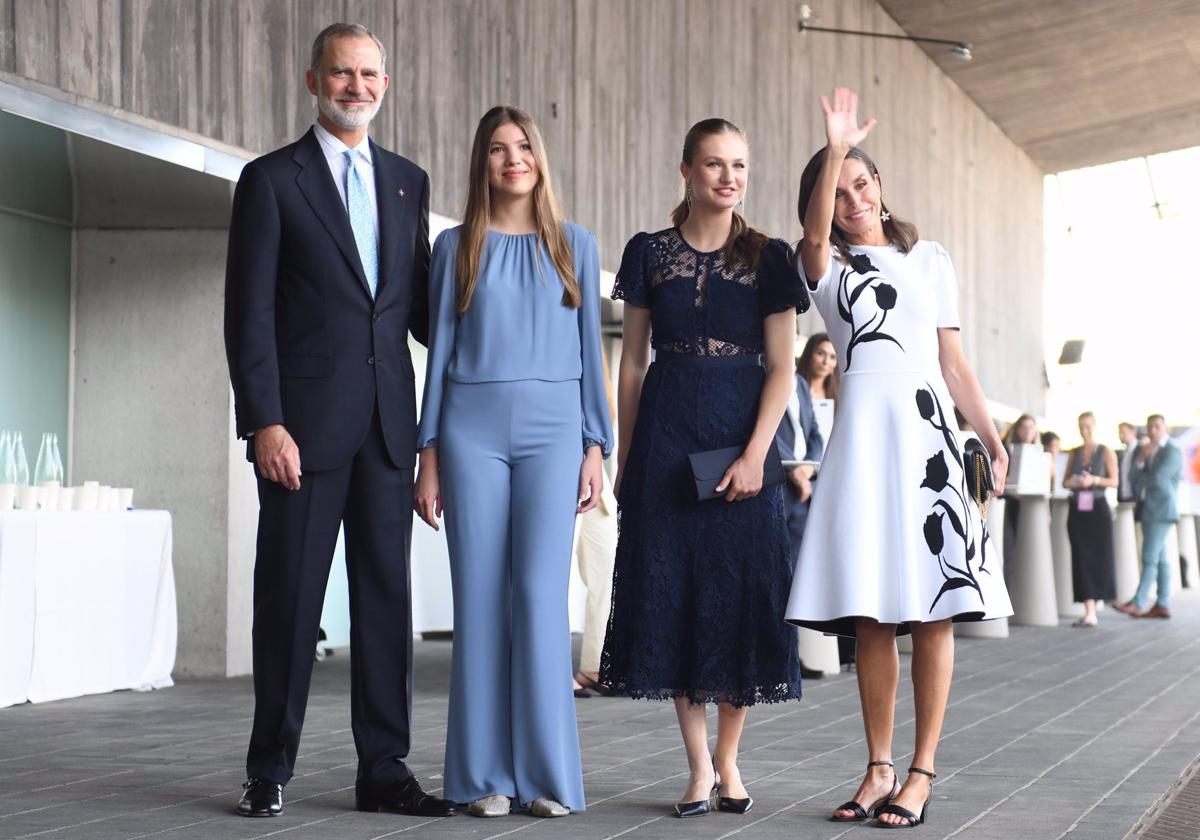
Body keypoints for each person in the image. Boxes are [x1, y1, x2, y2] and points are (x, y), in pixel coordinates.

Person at [224, 23, 455, 819]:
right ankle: (269, 767)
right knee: (288, 598)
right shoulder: (270, 180)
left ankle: (384, 770)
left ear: (385, 84)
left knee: (387, 600)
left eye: (370, 75)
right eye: (342, 73)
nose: (358, 86)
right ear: (312, 80)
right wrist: (264, 423)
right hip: (303, 431)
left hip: (390, 425)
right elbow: (248, 313)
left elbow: (420, 307)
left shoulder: (407, 180)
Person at [784, 88, 1012, 828]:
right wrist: (835, 145)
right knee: (873, 614)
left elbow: (955, 365)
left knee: (934, 611)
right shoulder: (823, 267)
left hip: (929, 443)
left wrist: (991, 434)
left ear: (881, 184)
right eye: (840, 185)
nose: (853, 195)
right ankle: (877, 766)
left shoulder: (930, 260)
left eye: (862, 179)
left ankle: (921, 771)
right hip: (863, 449)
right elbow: (815, 236)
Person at [600, 117, 806, 818]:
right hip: (664, 438)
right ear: (686, 170)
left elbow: (783, 369)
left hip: (741, 436)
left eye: (739, 166)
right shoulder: (649, 253)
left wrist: (755, 455)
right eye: (715, 164)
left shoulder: (770, 257)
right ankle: (695, 769)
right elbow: (631, 363)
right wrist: (627, 455)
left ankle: (729, 761)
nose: (729, 177)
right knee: (674, 598)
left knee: (737, 599)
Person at [413, 105, 611, 818]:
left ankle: (548, 776)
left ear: (539, 157)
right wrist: (427, 450)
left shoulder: (576, 246)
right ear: (482, 163)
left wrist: (596, 443)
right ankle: (481, 777)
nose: (512, 159)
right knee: (480, 598)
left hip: (556, 434)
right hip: (470, 430)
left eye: (523, 146)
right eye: (497, 149)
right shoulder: (454, 247)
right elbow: (438, 353)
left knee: (537, 596)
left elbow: (592, 352)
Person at [777, 333, 829, 679]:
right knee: (775, 576)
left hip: (801, 492)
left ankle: (790, 657)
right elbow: (767, 432)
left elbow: (814, 434)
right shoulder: (765, 375)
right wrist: (795, 470)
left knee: (795, 579)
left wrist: (808, 466)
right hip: (777, 484)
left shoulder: (797, 384)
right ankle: (775, 657)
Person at [573, 349, 619, 699]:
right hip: (554, 462)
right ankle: (552, 670)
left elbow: (606, 411)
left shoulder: (593, 344)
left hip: (592, 472)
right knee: (550, 578)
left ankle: (595, 664)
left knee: (607, 568)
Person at [1115, 414, 1183, 619]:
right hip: (1148, 508)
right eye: (1149, 427)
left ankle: (1139, 602)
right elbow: (1132, 477)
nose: (1152, 431)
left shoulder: (1172, 451)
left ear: (1165, 428)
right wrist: (1142, 460)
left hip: (1161, 510)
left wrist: (1145, 475)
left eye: (1157, 427)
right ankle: (1162, 603)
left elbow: (1159, 479)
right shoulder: (1147, 451)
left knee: (1149, 557)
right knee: (1161, 559)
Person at [1062, 412, 1118, 626]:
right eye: (1081, 425)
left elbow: (1114, 481)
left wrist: (1093, 480)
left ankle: (1095, 607)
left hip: (1097, 509)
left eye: (1088, 425)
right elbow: (1065, 481)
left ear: (1094, 426)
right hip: (1078, 509)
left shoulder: (1106, 451)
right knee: (1080, 558)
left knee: (1099, 557)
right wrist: (1075, 483)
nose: (1084, 429)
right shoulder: (1074, 453)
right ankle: (1088, 610)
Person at [1116, 421, 1142, 503]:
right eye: (1119, 433)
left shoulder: (1142, 450)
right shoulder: (1122, 454)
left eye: (1123, 432)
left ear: (1133, 432)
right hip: (1123, 497)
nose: (1120, 436)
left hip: (1137, 497)